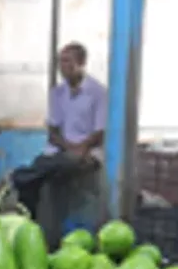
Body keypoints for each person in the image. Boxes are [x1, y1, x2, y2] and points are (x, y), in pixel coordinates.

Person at [11, 43, 107, 216]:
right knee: (38, 173)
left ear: (82, 63)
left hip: (88, 153)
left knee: (42, 170)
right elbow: (53, 130)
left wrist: (80, 149)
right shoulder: (57, 93)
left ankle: (17, 176)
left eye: (67, 61)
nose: (62, 67)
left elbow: (100, 132)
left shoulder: (98, 93)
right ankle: (28, 220)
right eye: (60, 62)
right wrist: (68, 147)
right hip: (62, 150)